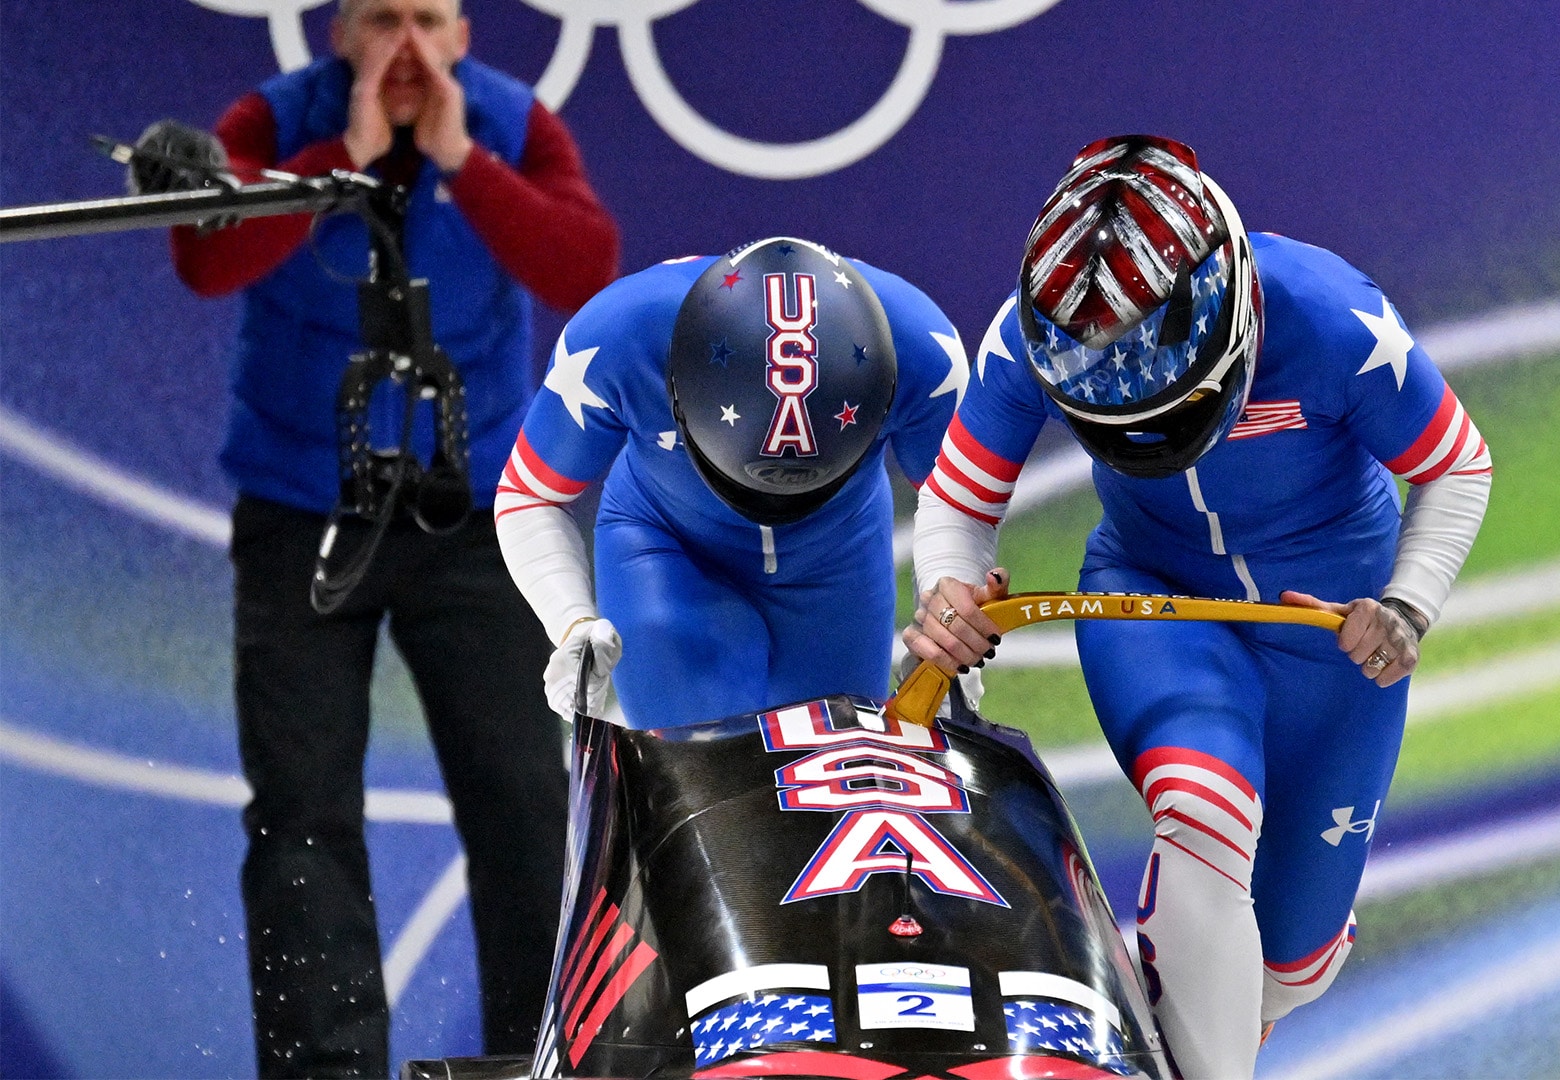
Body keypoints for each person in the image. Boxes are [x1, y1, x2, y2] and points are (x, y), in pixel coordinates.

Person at [902, 136, 1492, 1077]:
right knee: (1204, 811)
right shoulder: (1036, 330)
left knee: (1293, 967)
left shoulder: (1333, 321)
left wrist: (1406, 606)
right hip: (1153, 599)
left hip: (1329, 636)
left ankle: (1181, 1005)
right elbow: (959, 501)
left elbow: (1457, 466)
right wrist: (949, 592)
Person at [167, 0, 619, 1074]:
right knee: (301, 812)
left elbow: (585, 267)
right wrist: (342, 159)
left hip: (471, 519)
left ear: (462, 35)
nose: (406, 45)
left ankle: (543, 1058)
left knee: (524, 804)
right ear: (339, 34)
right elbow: (206, 260)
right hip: (301, 515)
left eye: (427, 18)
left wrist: (465, 162)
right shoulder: (271, 124)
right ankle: (325, 1069)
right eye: (381, 19)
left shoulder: (513, 125)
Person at [494, 237, 967, 729]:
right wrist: (570, 620)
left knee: (836, 768)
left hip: (838, 553)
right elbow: (530, 495)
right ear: (678, 393)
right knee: (703, 761)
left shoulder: (921, 353)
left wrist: (951, 624)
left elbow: (959, 504)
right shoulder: (620, 337)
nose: (772, 500)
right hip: (669, 546)